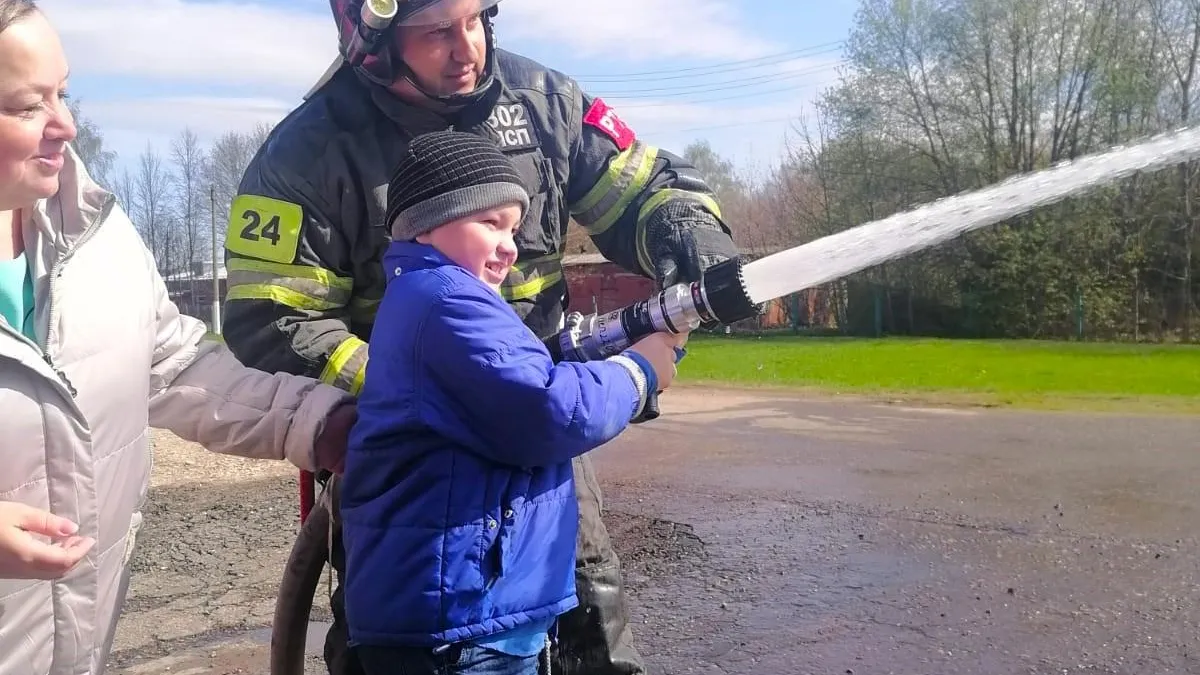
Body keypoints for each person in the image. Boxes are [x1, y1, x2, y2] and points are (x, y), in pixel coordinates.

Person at [220, 1, 742, 673]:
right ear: (374, 41)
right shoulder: (309, 152)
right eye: (438, 31)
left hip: (541, 421)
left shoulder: (543, 103)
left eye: (475, 19)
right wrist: (417, 394)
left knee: (591, 624)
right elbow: (270, 317)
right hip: (412, 470)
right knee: (408, 634)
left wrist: (685, 230)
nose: (468, 48)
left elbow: (645, 187)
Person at [0, 3, 357, 673]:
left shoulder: (96, 235)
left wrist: (319, 421)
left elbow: (171, 363)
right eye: (27, 106)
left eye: (63, 92)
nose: (66, 124)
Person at [342, 130, 685, 675]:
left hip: (466, 614)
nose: (510, 246)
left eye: (514, 228)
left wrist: (600, 346)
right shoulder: (447, 301)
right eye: (490, 223)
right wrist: (639, 372)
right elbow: (547, 410)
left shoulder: (432, 296)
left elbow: (520, 374)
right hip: (460, 625)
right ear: (425, 224)